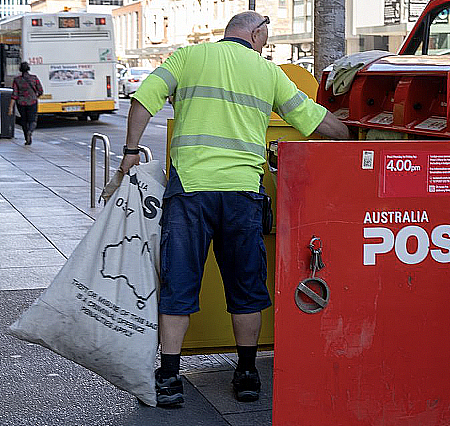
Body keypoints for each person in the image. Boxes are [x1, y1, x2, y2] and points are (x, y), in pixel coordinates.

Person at [118, 11, 349, 407]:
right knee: (246, 287)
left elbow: (143, 100)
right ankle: (246, 375)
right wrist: (350, 134)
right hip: (242, 194)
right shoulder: (269, 72)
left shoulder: (188, 57)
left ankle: (169, 378)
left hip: (189, 191)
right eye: (265, 36)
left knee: (179, 284)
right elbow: (313, 121)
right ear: (256, 33)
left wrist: (129, 152)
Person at [8, 62, 43, 145]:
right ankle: (30, 131)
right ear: (28, 68)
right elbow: (40, 90)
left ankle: (26, 138)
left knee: (24, 120)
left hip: (21, 102)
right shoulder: (34, 78)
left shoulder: (17, 80)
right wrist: (35, 96)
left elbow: (15, 94)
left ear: (20, 69)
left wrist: (10, 107)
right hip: (32, 101)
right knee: (32, 120)